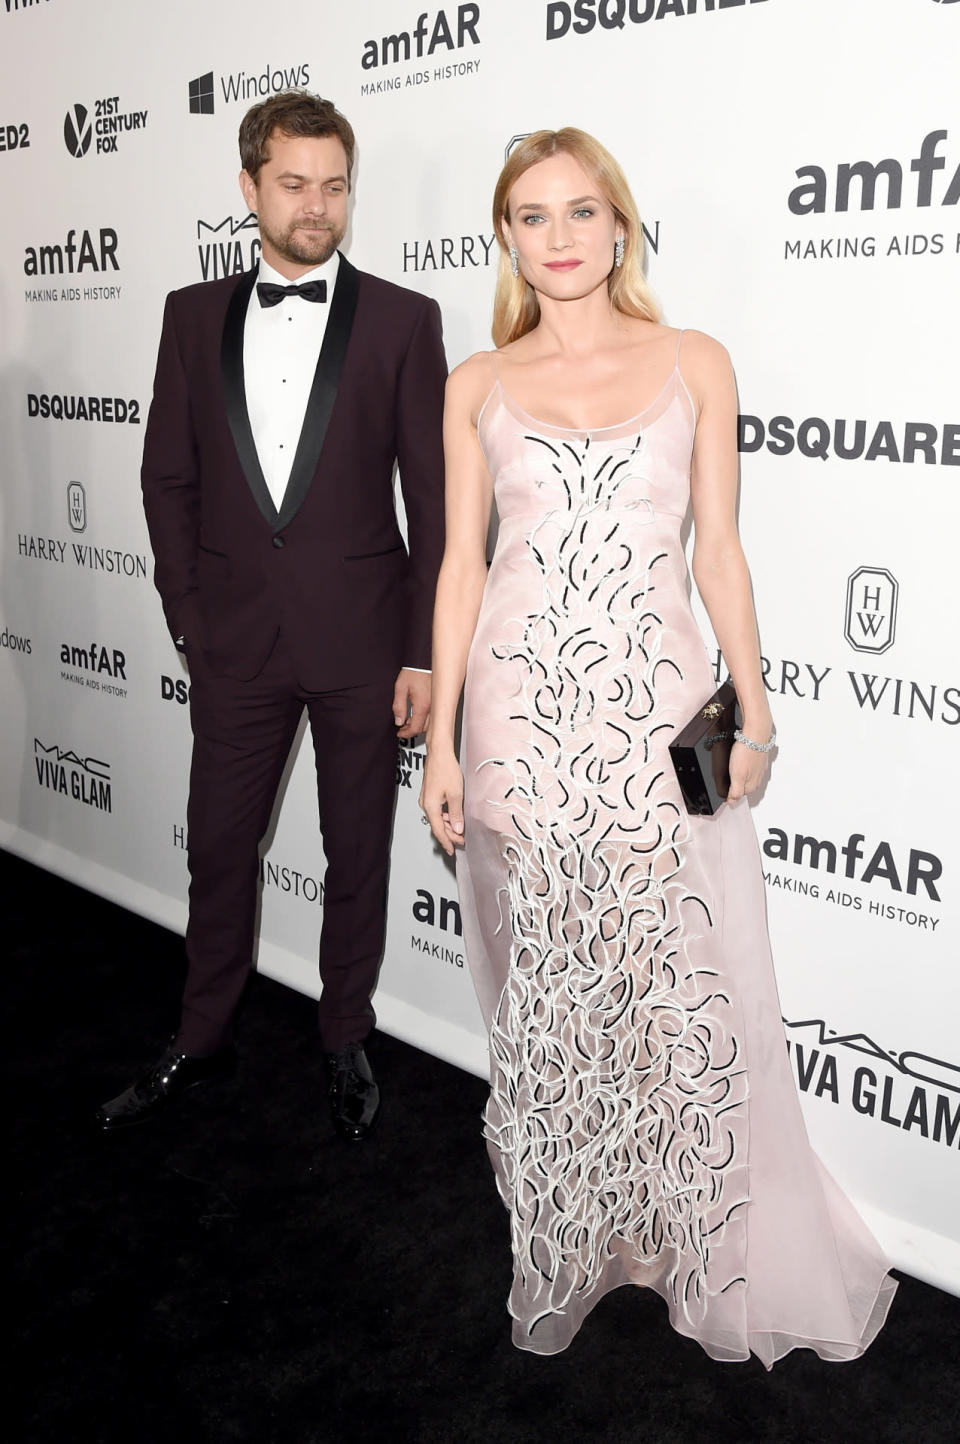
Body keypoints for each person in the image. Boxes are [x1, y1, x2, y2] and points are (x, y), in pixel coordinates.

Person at [420, 129, 896, 1362]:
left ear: (621, 226)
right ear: (508, 238)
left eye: (582, 210)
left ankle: (692, 1231)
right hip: (519, 721)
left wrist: (757, 704)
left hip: (655, 721)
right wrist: (443, 751)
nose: (560, 235)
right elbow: (463, 567)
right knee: (556, 1000)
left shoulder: (694, 361)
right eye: (532, 216)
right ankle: (581, 1236)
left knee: (678, 990)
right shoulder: (475, 381)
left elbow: (719, 553)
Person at [97, 91, 446, 1141]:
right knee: (218, 849)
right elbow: (168, 479)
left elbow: (431, 505)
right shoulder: (188, 316)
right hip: (236, 645)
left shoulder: (402, 319)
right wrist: (191, 620)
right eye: (293, 184)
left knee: (357, 853)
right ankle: (201, 1037)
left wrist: (425, 653)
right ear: (247, 188)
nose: (317, 206)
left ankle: (344, 1034)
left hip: (363, 644)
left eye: (334, 185)